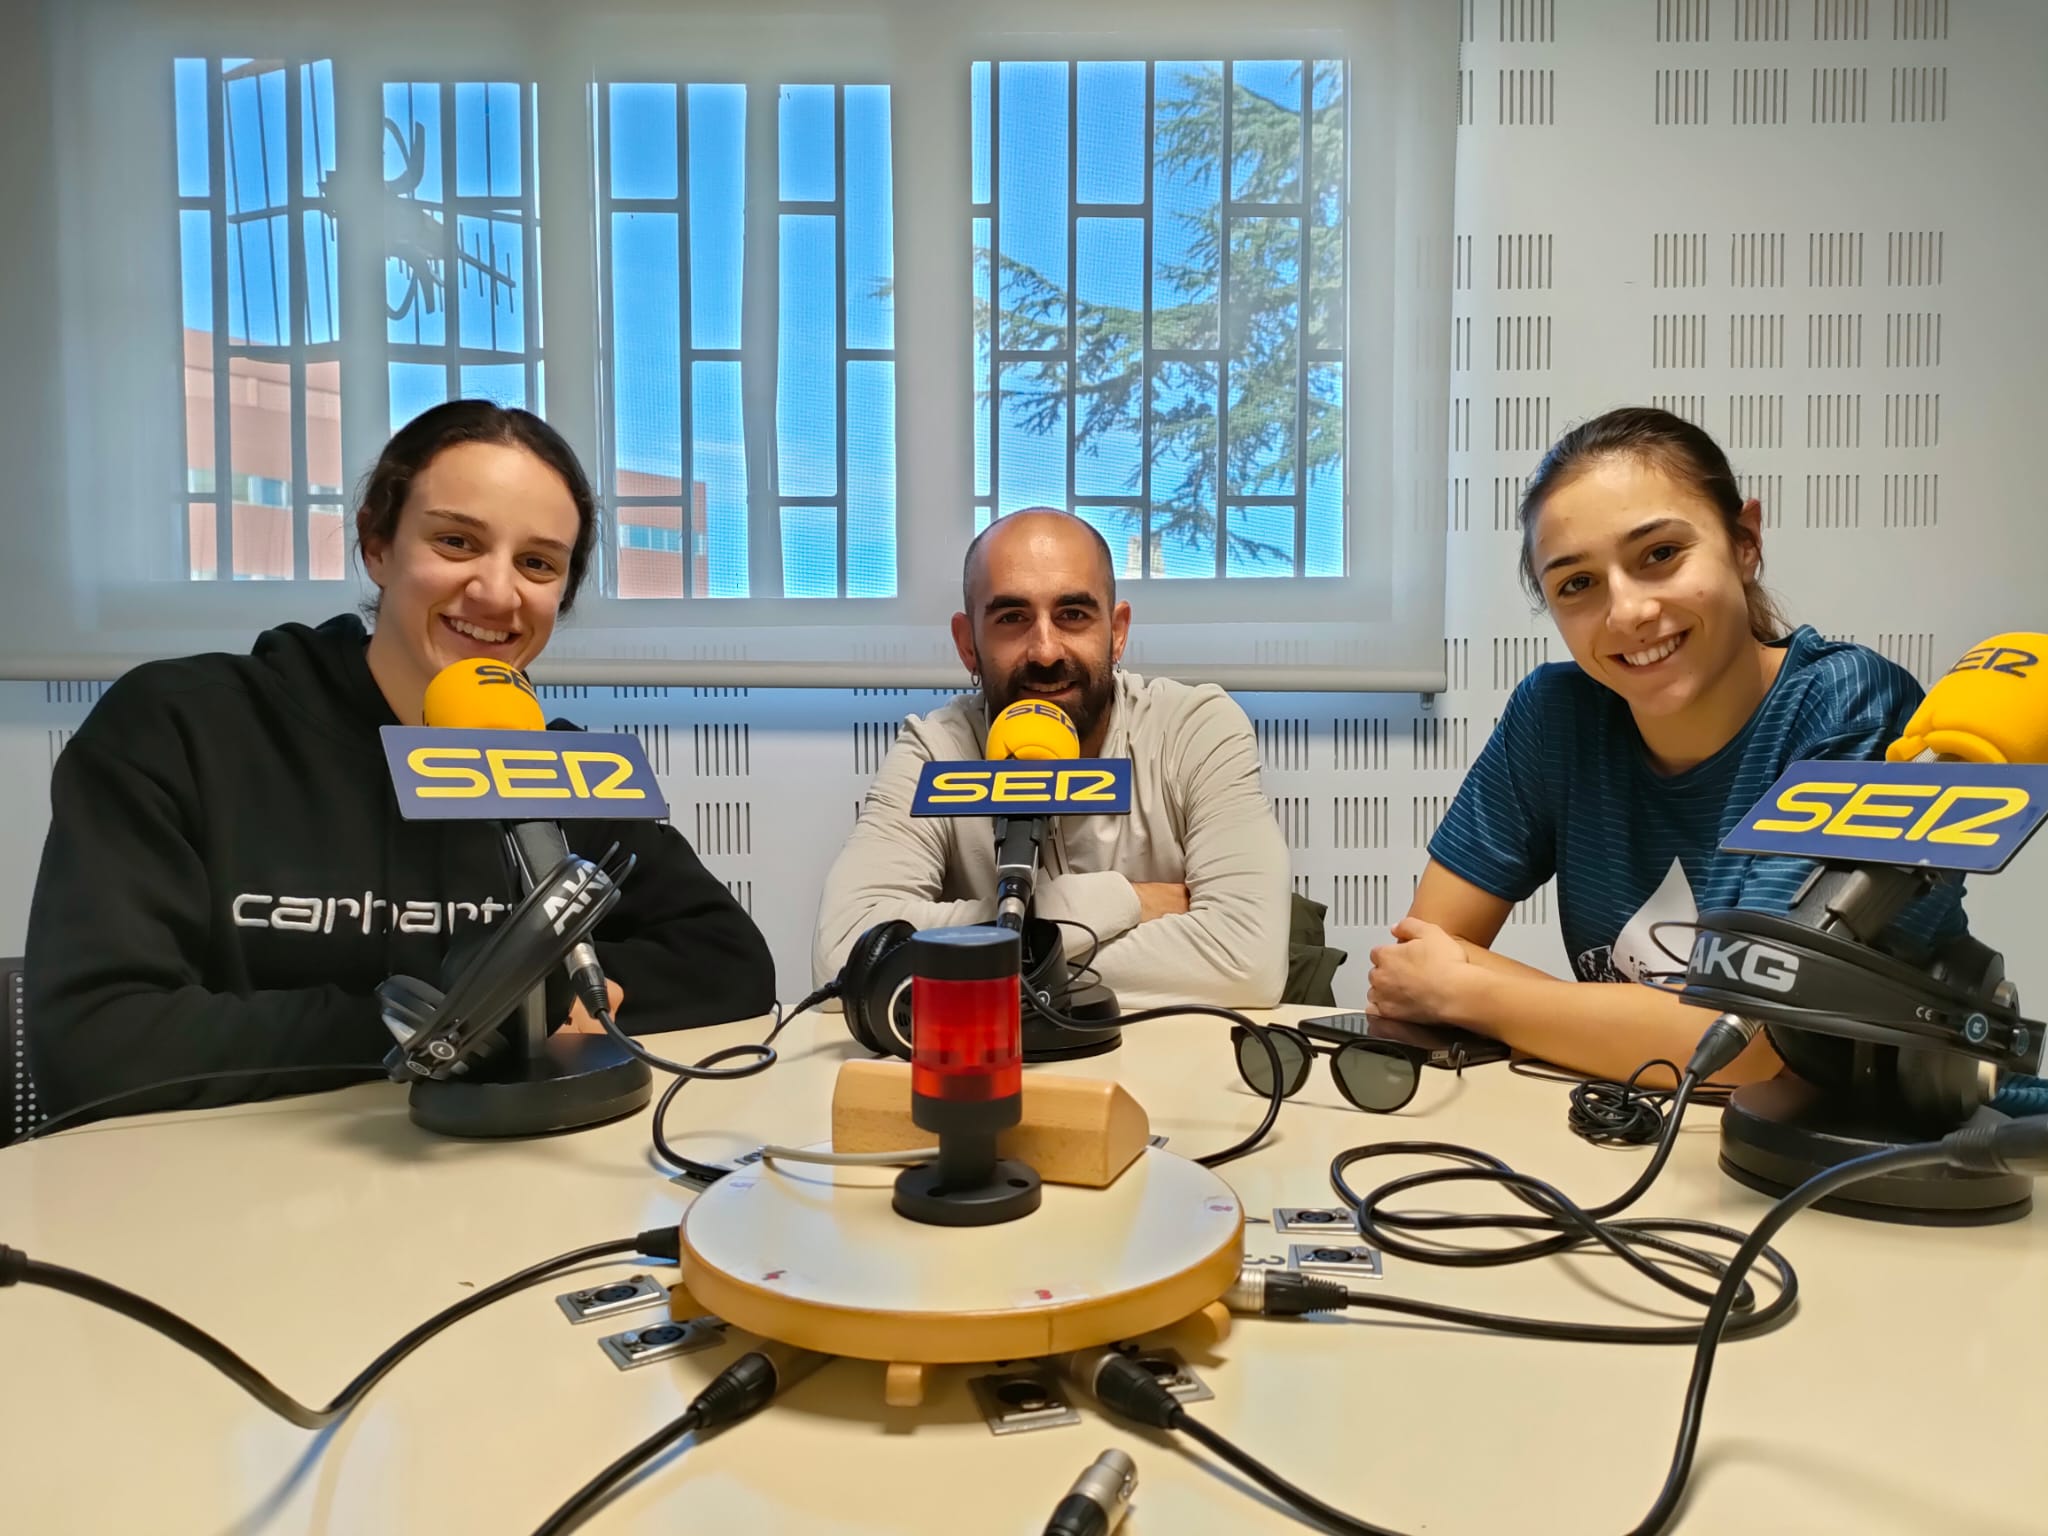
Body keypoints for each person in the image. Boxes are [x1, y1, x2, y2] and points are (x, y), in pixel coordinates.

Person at [24, 400, 775, 1122]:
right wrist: (450, 1025)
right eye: (456, 542)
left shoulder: (560, 763)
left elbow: (731, 963)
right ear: (377, 545)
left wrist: (522, 999)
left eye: (539, 564)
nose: (495, 591)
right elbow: (97, 1040)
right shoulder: (178, 724)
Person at [1366, 406, 1960, 1085]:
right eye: (1577, 584)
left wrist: (1470, 992)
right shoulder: (1555, 716)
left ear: (1745, 541)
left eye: (1659, 555)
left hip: (1860, 1159)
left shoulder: (1853, 706)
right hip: (1640, 1135)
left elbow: (1759, 1041)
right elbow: (1415, 965)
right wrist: (1634, 1021)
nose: (1627, 613)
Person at [811, 508, 1291, 1010]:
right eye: (1012, 618)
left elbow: (1246, 961)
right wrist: (1124, 901)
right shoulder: (936, 750)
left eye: (1073, 615)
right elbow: (845, 958)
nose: (1044, 651)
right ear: (967, 645)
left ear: (1118, 631)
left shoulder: (1194, 728)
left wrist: (983, 957)